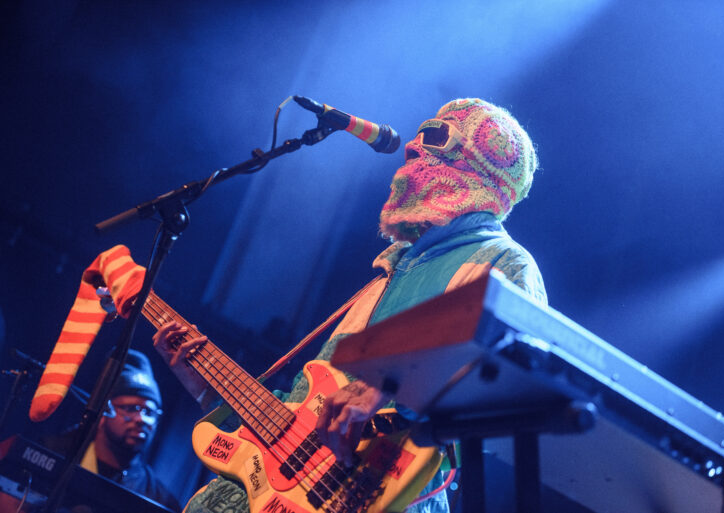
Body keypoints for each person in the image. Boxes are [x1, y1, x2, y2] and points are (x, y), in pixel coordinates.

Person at [153, 98, 546, 513]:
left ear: (480, 163)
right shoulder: (387, 273)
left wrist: (388, 383)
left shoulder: (503, 263)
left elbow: (509, 385)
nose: (413, 147)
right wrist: (206, 388)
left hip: (379, 493)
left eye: (434, 135)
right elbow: (297, 423)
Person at [43, 349, 180, 512]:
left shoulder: (161, 500)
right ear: (103, 412)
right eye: (131, 408)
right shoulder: (51, 453)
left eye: (149, 412)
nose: (141, 419)